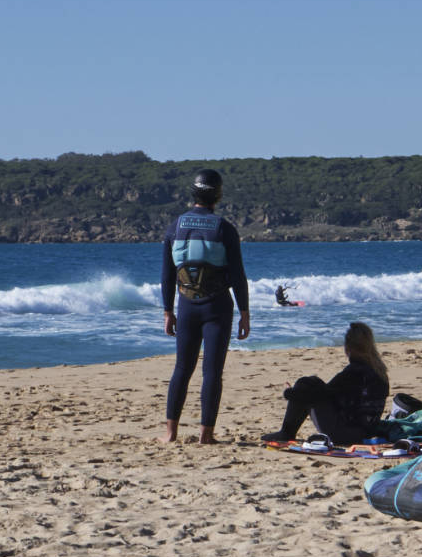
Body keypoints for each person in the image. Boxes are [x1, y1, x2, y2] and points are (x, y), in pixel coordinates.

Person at [160, 168, 250, 445]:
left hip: (186, 307)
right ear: (218, 194)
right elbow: (237, 274)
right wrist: (245, 313)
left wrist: (168, 310)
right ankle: (205, 435)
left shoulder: (175, 227)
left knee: (181, 370)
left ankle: (170, 434)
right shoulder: (224, 228)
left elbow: (167, 274)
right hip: (217, 308)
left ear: (193, 192)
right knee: (212, 371)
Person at [263, 321, 390, 447]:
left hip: (346, 434)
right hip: (367, 431)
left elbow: (320, 395)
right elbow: (332, 392)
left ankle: (286, 433)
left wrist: (289, 393)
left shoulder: (354, 372)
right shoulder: (378, 370)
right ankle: (286, 432)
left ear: (348, 347)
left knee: (305, 384)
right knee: (312, 384)